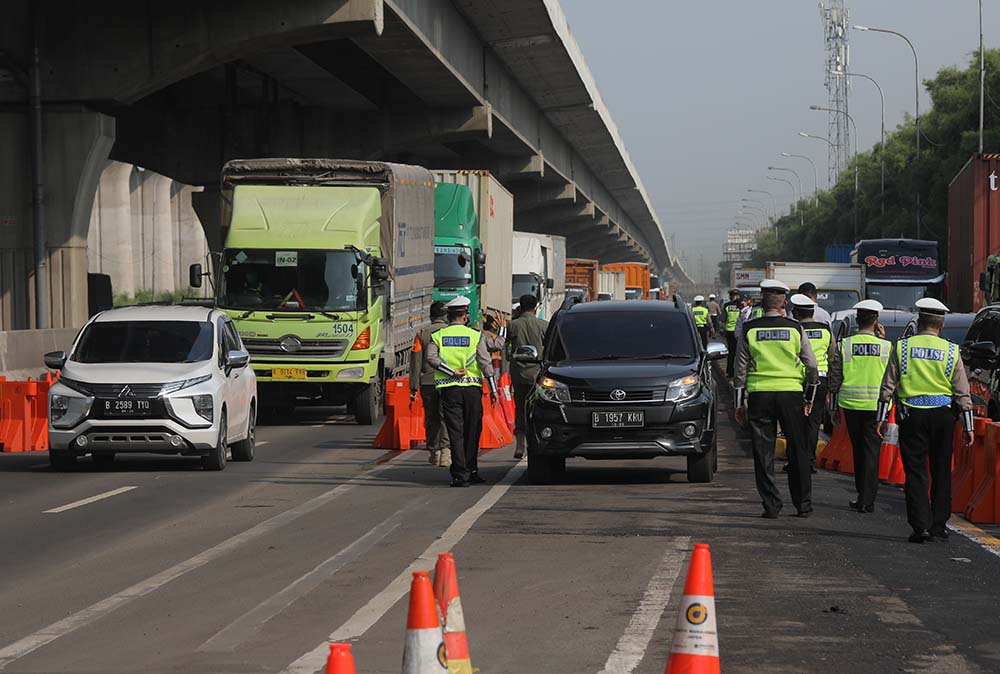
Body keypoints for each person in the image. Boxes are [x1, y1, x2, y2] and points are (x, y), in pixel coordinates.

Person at [877, 297, 975, 543]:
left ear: (919, 322)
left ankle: (920, 527)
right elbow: (962, 391)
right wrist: (968, 426)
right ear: (940, 326)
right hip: (943, 416)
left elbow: (887, 385)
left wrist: (880, 418)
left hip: (912, 415)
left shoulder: (901, 347)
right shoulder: (952, 350)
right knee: (941, 470)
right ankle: (939, 525)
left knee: (916, 471)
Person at [734, 279, 819, 518]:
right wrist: (809, 395)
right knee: (798, 449)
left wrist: (739, 404)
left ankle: (771, 505)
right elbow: (811, 365)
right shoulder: (794, 328)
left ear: (762, 300)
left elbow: (739, 372)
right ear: (783, 301)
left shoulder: (750, 328)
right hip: (791, 395)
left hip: (760, 395)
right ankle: (803, 504)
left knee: (763, 452)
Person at [425, 296, 498, 487]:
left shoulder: (438, 336)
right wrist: (493, 390)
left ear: (449, 316)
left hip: (450, 391)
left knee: (455, 432)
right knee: (472, 431)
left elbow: (431, 358)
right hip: (472, 391)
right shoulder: (475, 335)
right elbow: (485, 363)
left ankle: (460, 474)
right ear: (465, 316)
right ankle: (472, 470)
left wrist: (450, 372)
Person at [828, 299, 889, 513]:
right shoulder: (886, 346)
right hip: (876, 408)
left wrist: (834, 408)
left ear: (856, 320)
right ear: (876, 322)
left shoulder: (845, 344)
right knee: (872, 452)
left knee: (859, 452)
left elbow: (835, 377)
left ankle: (862, 495)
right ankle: (867, 499)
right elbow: (892, 379)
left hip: (851, 405)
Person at [788, 293, 835, 475]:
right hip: (821, 380)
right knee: (814, 422)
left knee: (796, 423)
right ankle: (809, 461)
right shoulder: (825, 329)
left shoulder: (794, 329)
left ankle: (795, 460)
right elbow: (832, 355)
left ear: (797, 313)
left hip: (798, 381)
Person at [506, 294, 548, 459]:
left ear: (520, 307)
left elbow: (501, 345)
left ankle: (520, 446)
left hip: (518, 374)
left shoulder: (513, 325)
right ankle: (536, 442)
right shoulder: (543, 325)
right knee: (538, 408)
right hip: (538, 374)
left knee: (519, 408)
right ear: (536, 307)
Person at [410, 301, 451, 467]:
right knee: (447, 416)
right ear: (446, 316)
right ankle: (446, 452)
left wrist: (413, 386)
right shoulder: (452, 333)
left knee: (432, 417)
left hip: (428, 382)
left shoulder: (422, 334)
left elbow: (415, 362)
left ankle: (434, 452)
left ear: (431, 316)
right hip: (449, 381)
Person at [723, 289, 742, 377]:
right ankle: (739, 372)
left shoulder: (726, 306)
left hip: (730, 331)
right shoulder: (741, 306)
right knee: (740, 353)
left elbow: (722, 319)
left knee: (731, 352)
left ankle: (730, 372)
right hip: (740, 332)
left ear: (730, 296)